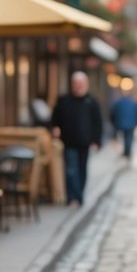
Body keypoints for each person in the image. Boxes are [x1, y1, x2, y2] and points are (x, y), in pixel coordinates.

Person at [51, 71, 103, 206]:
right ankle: (73, 198)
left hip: (85, 143)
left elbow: (98, 123)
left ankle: (79, 195)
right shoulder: (63, 101)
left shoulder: (92, 102)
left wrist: (97, 141)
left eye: (81, 84)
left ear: (86, 85)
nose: (79, 86)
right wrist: (55, 127)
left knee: (82, 170)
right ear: (72, 85)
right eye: (76, 83)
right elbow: (54, 119)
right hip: (68, 142)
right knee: (71, 171)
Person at [109, 89, 137, 160]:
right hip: (131, 123)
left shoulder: (118, 103)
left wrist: (114, 122)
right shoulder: (133, 103)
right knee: (129, 138)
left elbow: (113, 113)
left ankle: (126, 152)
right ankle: (127, 152)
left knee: (125, 137)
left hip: (121, 123)